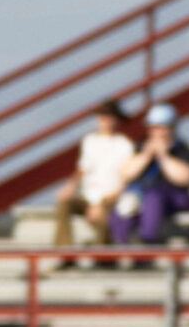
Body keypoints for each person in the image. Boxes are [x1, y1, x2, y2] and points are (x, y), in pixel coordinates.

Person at [54, 101, 139, 247]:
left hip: (110, 198)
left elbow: (126, 179)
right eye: (102, 117)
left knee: (102, 214)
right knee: (64, 204)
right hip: (88, 197)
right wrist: (70, 186)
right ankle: (64, 250)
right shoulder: (89, 141)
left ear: (117, 120)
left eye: (108, 117)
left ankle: (101, 252)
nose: (105, 121)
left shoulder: (125, 145)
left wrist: (102, 203)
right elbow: (83, 168)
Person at [113, 105, 189, 248]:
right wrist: (147, 155)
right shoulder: (141, 147)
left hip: (173, 198)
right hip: (140, 197)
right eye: (154, 128)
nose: (157, 132)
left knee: (153, 196)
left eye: (162, 128)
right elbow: (126, 174)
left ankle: (149, 242)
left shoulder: (182, 150)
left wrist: (163, 156)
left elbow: (185, 178)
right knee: (123, 208)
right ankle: (124, 247)